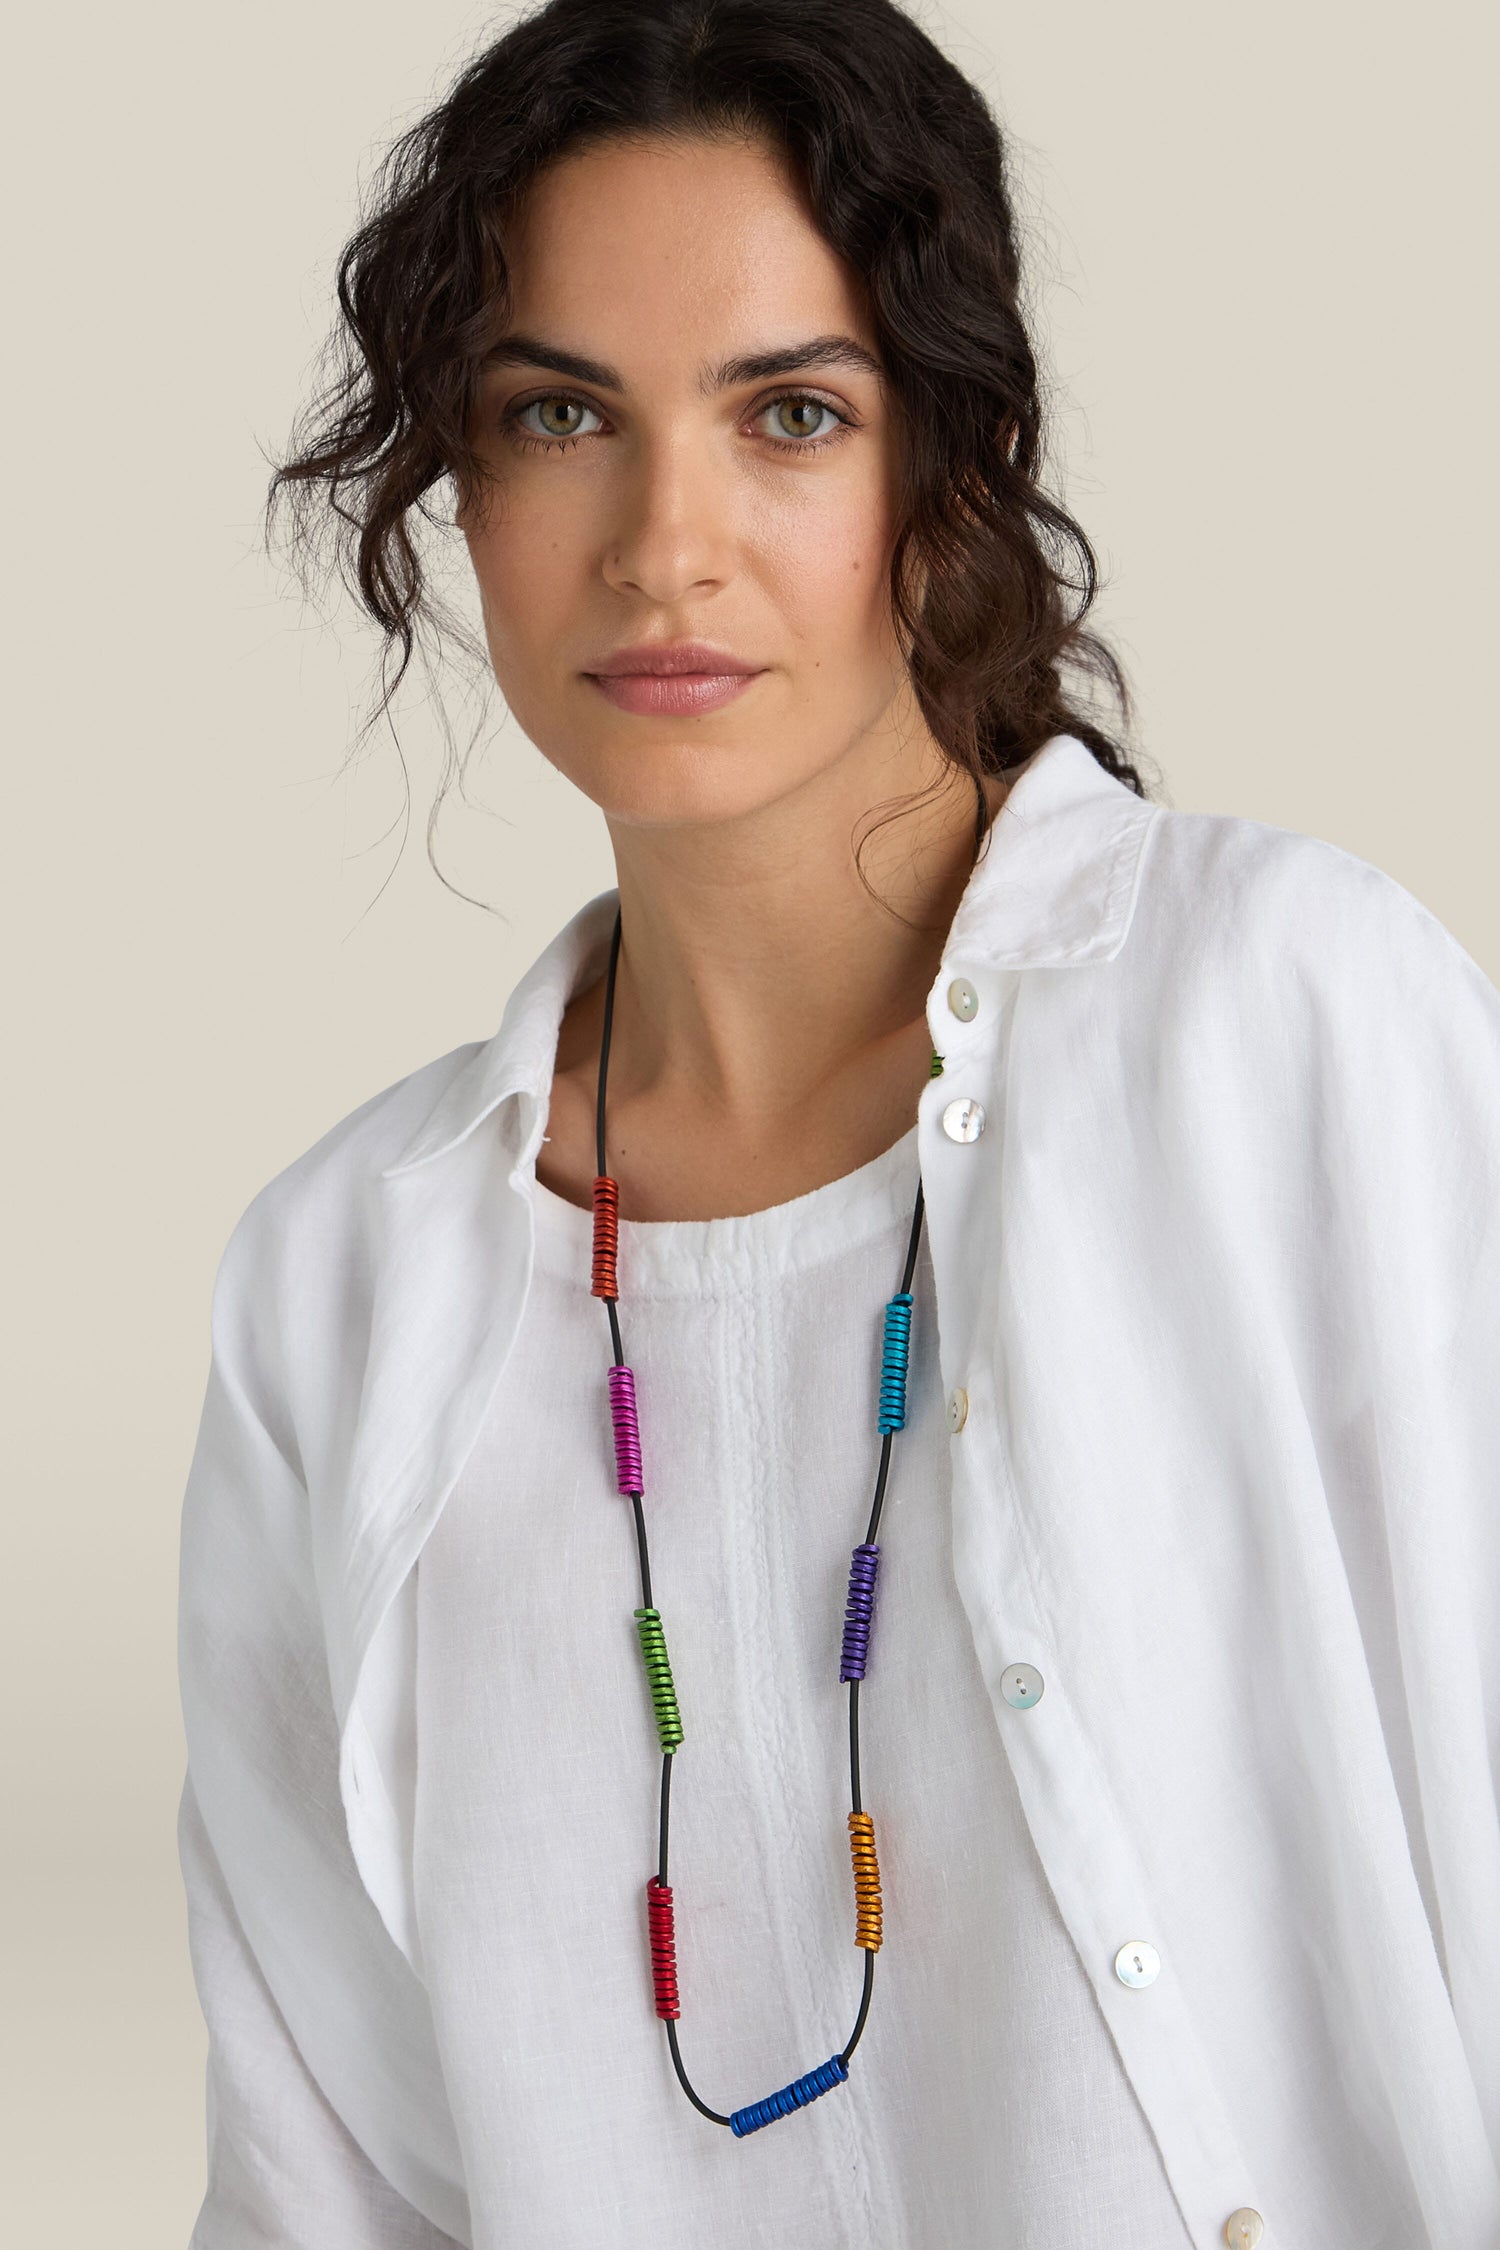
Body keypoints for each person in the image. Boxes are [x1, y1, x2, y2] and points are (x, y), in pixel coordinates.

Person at [173, 3, 1500, 2245]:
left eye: (789, 412)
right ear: (457, 484)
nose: (662, 546)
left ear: (952, 459)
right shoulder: (348, 1281)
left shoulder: (1280, 1025)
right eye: (556, 413)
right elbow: (331, 2181)